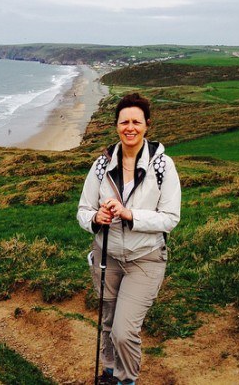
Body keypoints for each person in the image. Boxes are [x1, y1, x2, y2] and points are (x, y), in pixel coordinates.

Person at [77, 93, 181, 385]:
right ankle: (109, 372)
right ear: (116, 126)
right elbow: (83, 211)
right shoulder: (101, 165)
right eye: (124, 122)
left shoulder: (162, 167)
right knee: (107, 322)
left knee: (124, 330)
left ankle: (126, 380)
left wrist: (129, 214)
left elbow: (170, 218)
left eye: (136, 121)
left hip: (145, 258)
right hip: (106, 255)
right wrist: (97, 218)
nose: (130, 127)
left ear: (147, 125)